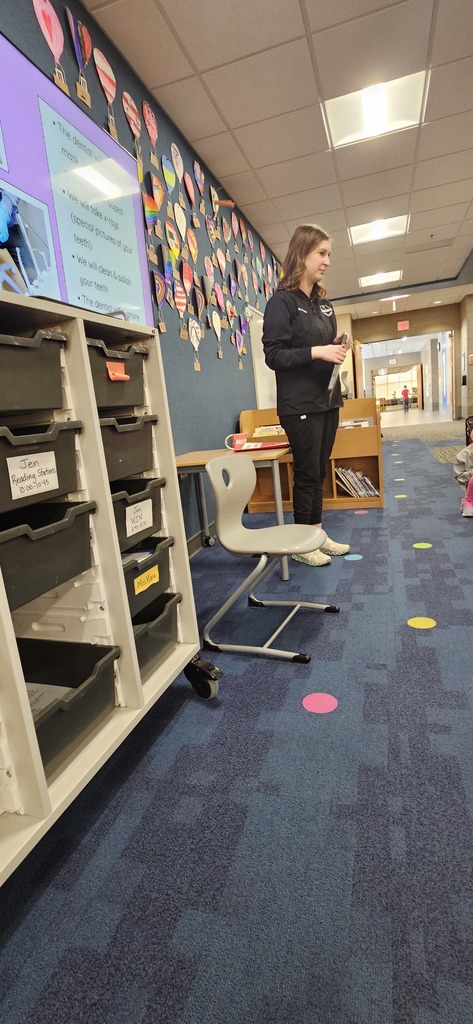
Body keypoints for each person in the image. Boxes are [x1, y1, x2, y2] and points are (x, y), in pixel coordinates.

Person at [262, 223, 351, 567]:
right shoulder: (281, 302)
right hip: (299, 403)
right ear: (302, 254)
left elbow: (321, 349)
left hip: (327, 399)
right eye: (321, 253)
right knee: (307, 473)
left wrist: (334, 346)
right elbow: (274, 355)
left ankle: (316, 533)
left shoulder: (324, 306)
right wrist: (318, 351)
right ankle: (302, 543)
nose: (327, 261)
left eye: (329, 254)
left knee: (319, 471)